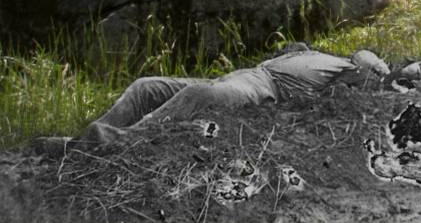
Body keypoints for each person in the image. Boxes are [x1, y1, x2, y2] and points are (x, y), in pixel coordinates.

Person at [33, 44, 390, 155]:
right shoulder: (319, 55)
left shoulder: (346, 76)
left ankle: (109, 143)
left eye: (366, 62)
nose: (362, 58)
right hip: (239, 77)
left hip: (259, 93)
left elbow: (379, 83)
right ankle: (82, 140)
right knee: (146, 86)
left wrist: (381, 68)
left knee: (195, 96)